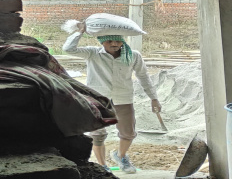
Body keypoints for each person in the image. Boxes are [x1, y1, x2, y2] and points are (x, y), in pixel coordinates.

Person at [62, 22, 161, 174]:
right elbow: (68, 49)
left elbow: (144, 77)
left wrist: (153, 98)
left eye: (118, 41)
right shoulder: (93, 53)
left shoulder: (133, 55)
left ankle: (121, 156)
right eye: (109, 41)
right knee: (97, 135)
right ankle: (102, 166)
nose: (114, 44)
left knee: (128, 133)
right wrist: (80, 32)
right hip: (98, 100)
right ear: (102, 42)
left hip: (124, 98)